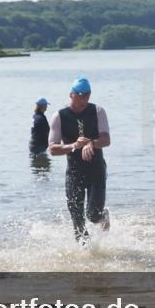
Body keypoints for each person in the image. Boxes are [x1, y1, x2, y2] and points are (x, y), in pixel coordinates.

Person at [48, 78, 111, 243]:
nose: (84, 100)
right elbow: (53, 149)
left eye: (87, 95)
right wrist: (74, 145)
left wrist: (92, 143)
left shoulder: (98, 111)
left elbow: (106, 140)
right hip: (74, 172)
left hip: (96, 170)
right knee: (77, 218)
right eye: (80, 95)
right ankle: (87, 256)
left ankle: (103, 216)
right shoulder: (59, 116)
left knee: (93, 214)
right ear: (71, 95)